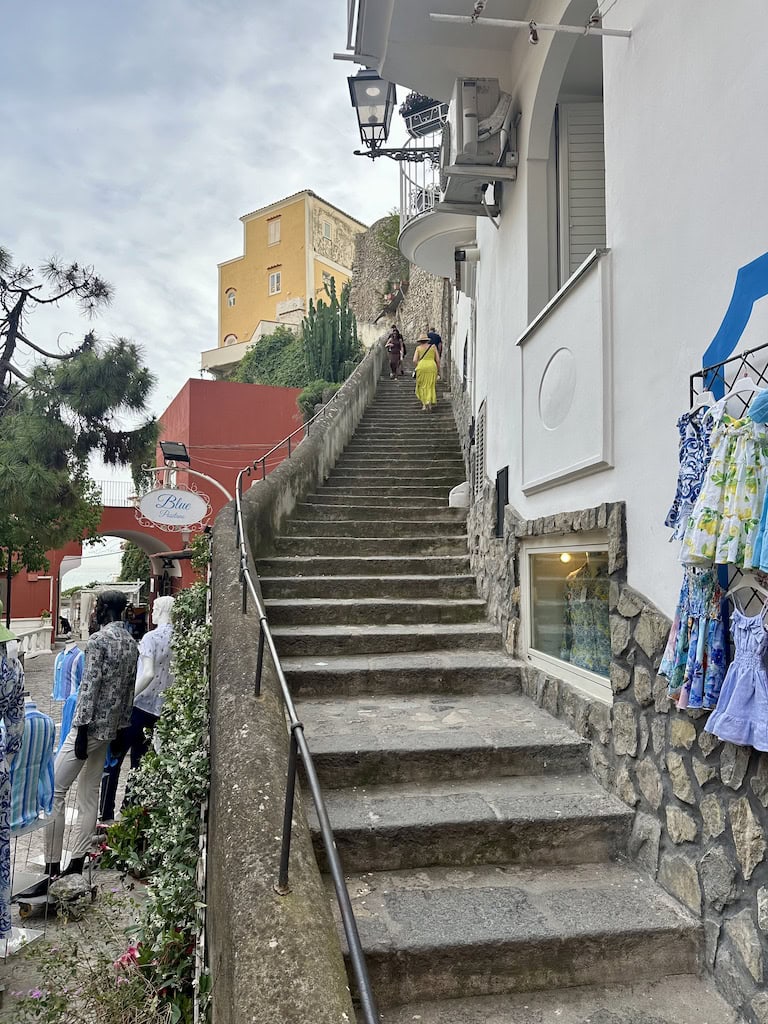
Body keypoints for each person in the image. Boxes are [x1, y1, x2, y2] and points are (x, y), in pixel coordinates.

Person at [19, 591, 138, 893]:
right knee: (89, 795)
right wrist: (120, 728)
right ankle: (76, 862)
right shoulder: (130, 643)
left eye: (97, 606)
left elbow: (90, 687)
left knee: (54, 793)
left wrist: (81, 729)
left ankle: (50, 868)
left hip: (87, 728)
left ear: (106, 609)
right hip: (110, 730)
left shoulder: (99, 641)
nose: (94, 612)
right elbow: (128, 691)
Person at [99, 596, 175, 823]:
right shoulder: (178, 638)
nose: (151, 611)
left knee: (114, 760)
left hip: (139, 706)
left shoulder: (152, 638)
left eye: (153, 608)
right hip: (159, 710)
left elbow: (148, 673)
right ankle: (129, 812)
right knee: (139, 764)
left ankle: (106, 813)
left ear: (160, 610)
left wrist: (127, 698)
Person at [413, 331, 440, 411]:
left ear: (420, 341)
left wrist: (419, 364)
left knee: (422, 386)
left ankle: (424, 404)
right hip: (432, 366)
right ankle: (429, 402)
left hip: (421, 367)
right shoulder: (433, 347)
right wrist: (438, 370)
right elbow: (438, 360)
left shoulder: (418, 348)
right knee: (430, 385)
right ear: (427, 340)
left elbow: (414, 360)